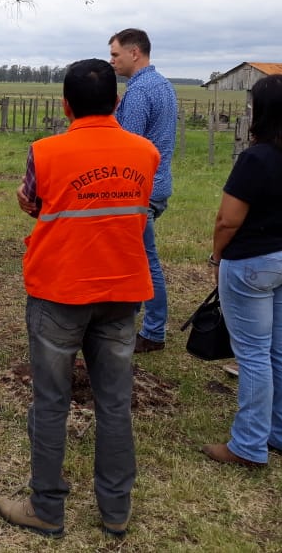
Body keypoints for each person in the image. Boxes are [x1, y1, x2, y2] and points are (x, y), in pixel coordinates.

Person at [0, 59, 158, 539]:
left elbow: (32, 201)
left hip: (59, 291)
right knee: (114, 401)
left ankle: (46, 507)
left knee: (51, 401)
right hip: (123, 290)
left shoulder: (44, 151)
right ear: (118, 102)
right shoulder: (145, 152)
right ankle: (116, 510)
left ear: (65, 105)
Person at [203, 75, 282, 467]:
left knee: (253, 355)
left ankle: (249, 445)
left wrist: (217, 256)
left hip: (254, 262)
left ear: (262, 110)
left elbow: (228, 220)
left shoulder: (255, 159)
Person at [108, 28, 178, 353]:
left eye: (115, 54)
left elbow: (128, 146)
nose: (112, 62)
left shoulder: (138, 92)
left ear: (134, 53)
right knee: (139, 257)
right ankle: (132, 320)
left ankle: (152, 332)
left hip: (141, 190)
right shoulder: (162, 84)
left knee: (146, 261)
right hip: (158, 182)